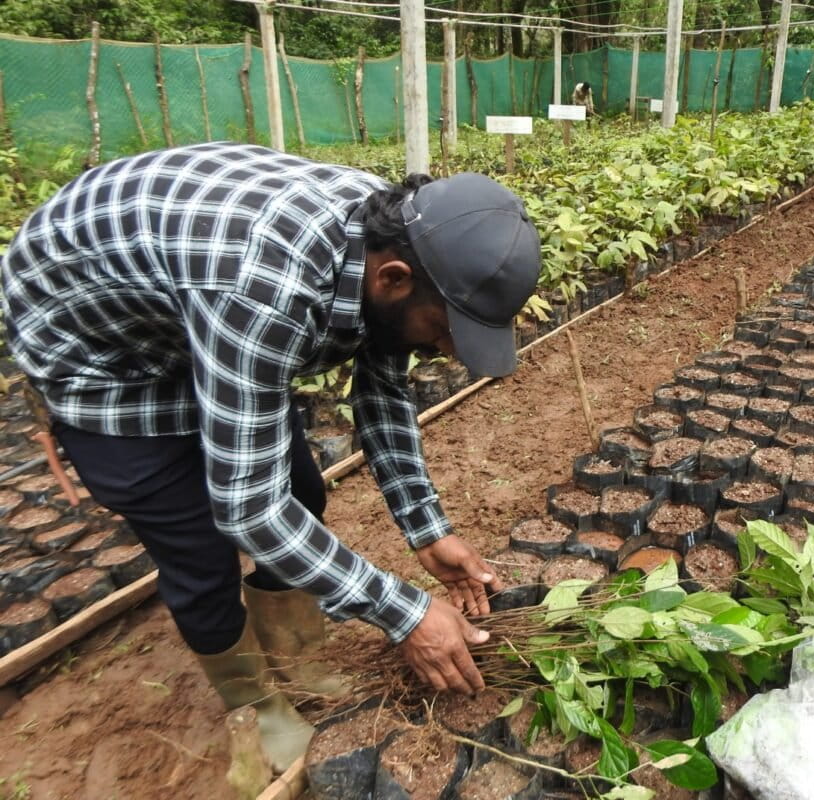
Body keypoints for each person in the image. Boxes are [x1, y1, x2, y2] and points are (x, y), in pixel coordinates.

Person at [1, 142, 541, 772]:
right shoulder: (265, 286)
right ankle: (256, 705)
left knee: (304, 495)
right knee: (201, 549)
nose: (448, 350)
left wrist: (429, 531)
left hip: (197, 306)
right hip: (102, 354)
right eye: (443, 330)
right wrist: (406, 612)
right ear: (391, 280)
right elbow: (249, 510)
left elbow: (383, 391)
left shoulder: (400, 242)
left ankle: (296, 661)